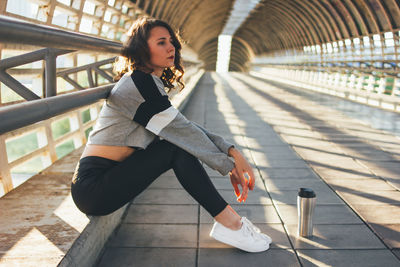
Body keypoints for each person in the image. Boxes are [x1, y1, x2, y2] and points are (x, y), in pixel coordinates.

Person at [70, 17, 271, 253]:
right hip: (93, 188)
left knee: (175, 146)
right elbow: (184, 132)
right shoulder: (137, 85)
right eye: (161, 42)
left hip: (107, 178)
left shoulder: (147, 82)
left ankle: (231, 223)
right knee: (174, 149)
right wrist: (231, 164)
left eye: (172, 42)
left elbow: (184, 127)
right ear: (142, 49)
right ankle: (231, 224)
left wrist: (231, 152)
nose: (171, 48)